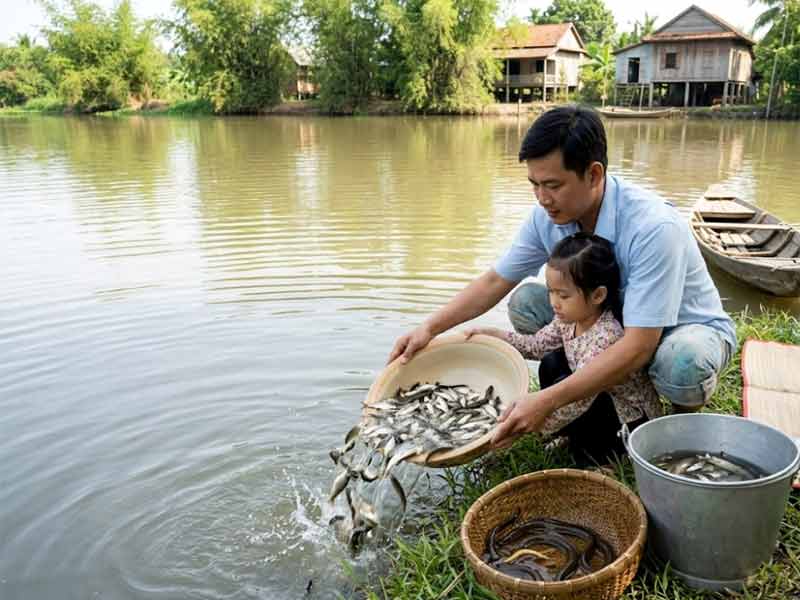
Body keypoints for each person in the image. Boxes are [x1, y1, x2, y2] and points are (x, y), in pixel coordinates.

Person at [388, 104, 736, 450]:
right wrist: (431, 328)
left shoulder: (654, 228)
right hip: (608, 323)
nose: (542, 198)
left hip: (676, 332)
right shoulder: (548, 216)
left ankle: (679, 426)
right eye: (534, 185)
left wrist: (547, 402)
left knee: (681, 362)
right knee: (526, 303)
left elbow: (639, 344)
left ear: (594, 175)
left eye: (553, 185)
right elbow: (495, 280)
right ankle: (591, 390)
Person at [464, 232, 661, 464]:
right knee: (551, 362)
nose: (553, 302)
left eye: (563, 295)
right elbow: (535, 346)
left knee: (584, 416)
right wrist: (493, 336)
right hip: (591, 399)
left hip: (627, 418)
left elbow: (577, 401)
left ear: (598, 295)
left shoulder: (606, 336)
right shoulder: (568, 320)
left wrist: (522, 427)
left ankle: (608, 458)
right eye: (550, 291)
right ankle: (567, 435)